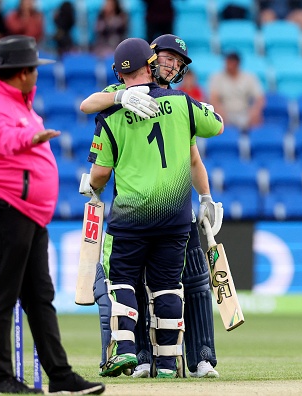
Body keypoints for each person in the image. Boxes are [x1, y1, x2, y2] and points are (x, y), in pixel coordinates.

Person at [80, 33, 223, 380]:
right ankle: (152, 360)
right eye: (167, 58)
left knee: (188, 283)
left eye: (179, 62)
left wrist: (205, 197)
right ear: (151, 59)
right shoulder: (130, 102)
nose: (172, 66)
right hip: (170, 217)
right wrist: (121, 96)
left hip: (148, 216)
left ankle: (197, 358)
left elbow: (193, 159)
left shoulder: (173, 102)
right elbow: (87, 104)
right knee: (163, 287)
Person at [0, 35, 105, 395]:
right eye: (34, 70)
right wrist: (29, 137)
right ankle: (0, 378)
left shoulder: (16, 100)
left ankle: (60, 375)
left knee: (38, 296)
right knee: (3, 293)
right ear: (22, 72)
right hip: (3, 207)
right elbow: (1, 137)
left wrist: (29, 135)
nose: (37, 76)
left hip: (25, 211)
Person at [209, 52, 264, 132]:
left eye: (230, 62)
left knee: (257, 120)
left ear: (237, 64)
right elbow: (213, 98)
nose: (227, 65)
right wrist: (220, 113)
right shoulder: (217, 77)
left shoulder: (249, 77)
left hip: (244, 113)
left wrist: (254, 111)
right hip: (225, 113)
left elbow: (260, 98)